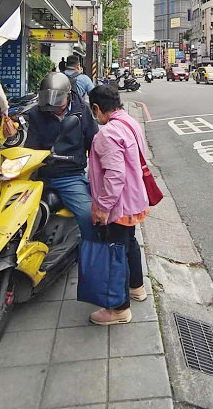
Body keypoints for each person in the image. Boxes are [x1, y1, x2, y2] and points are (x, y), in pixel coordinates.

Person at [85, 84, 150, 325]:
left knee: (115, 252)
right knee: (129, 243)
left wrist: (102, 207)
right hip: (134, 198)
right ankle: (137, 287)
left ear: (96, 108)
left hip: (118, 204)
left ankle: (119, 309)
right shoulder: (130, 122)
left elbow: (114, 175)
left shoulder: (107, 134)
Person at [25, 72, 97, 241]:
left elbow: (94, 143)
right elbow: (31, 144)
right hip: (39, 173)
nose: (52, 104)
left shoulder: (82, 111)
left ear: (68, 96)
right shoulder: (37, 113)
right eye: (47, 98)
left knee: (88, 215)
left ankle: (89, 248)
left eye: (57, 99)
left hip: (69, 175)